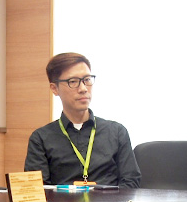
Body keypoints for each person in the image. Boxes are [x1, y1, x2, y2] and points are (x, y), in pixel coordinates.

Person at [24, 52, 141, 187]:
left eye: (87, 80)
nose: (83, 89)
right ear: (54, 88)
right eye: (73, 82)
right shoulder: (41, 138)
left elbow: (131, 182)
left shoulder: (116, 132)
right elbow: (37, 191)